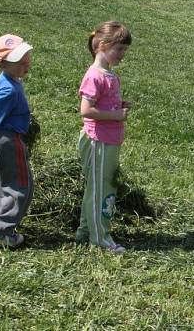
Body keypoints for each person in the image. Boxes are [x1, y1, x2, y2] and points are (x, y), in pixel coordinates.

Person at [76, 21, 132, 253]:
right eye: (119, 49)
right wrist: (115, 114)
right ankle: (101, 238)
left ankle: (86, 230)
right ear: (103, 45)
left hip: (108, 140)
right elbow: (86, 110)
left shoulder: (108, 73)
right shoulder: (94, 76)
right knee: (102, 189)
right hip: (98, 140)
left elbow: (102, 103)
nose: (122, 55)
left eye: (124, 51)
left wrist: (118, 106)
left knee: (96, 187)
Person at [0, 34, 35, 248]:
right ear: (3, 64)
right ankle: (0, 230)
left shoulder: (10, 79)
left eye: (26, 57)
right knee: (21, 186)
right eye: (20, 61)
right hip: (8, 140)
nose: (26, 62)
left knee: (0, 184)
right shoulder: (9, 90)